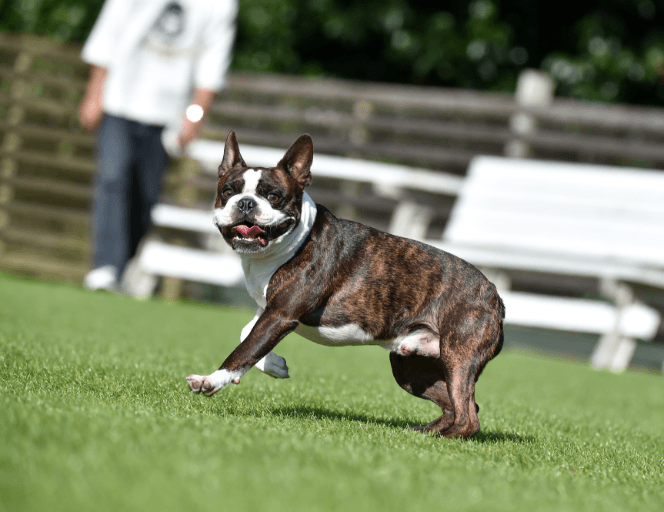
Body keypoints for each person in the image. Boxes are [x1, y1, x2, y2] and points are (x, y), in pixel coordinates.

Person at [79, 0, 237, 291]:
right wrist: (94, 93)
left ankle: (120, 266)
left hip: (168, 115)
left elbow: (213, 61)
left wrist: (194, 115)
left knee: (146, 195)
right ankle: (104, 266)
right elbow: (108, 32)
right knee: (112, 179)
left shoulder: (220, 4)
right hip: (119, 101)